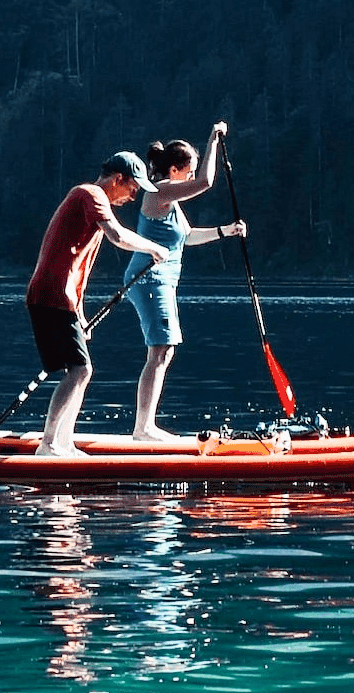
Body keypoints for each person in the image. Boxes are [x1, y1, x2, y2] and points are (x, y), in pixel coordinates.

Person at [26, 151, 171, 457]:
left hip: (60, 298)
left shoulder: (90, 203)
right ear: (118, 179)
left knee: (81, 370)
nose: (133, 197)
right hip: (50, 295)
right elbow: (118, 236)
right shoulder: (89, 194)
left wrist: (78, 313)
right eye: (132, 188)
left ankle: (63, 444)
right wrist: (154, 248)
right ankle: (48, 444)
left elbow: (76, 267)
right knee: (80, 370)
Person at [122, 121, 246, 443]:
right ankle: (143, 429)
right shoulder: (158, 192)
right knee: (160, 350)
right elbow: (206, 181)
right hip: (149, 279)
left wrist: (225, 231)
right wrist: (213, 138)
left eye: (190, 172)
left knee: (164, 351)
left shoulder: (172, 204)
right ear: (174, 170)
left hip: (162, 281)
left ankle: (144, 426)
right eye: (187, 171)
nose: (191, 177)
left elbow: (187, 237)